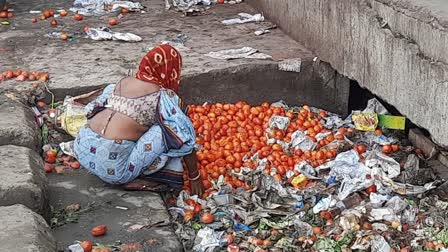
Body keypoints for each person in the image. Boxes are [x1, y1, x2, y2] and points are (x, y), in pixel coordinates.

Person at [73, 44, 204, 196]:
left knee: (143, 122)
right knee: (171, 131)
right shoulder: (163, 97)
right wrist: (195, 176)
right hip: (114, 170)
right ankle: (140, 178)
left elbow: (91, 109)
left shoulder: (122, 82)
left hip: (82, 149)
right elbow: (183, 136)